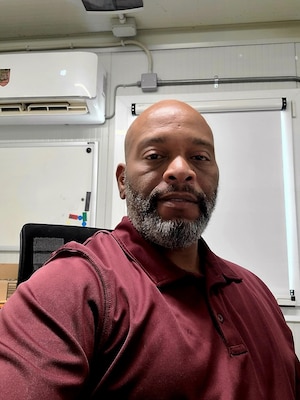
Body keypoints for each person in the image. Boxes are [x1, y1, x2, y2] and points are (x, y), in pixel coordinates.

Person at [0, 99, 299, 399]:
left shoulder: (257, 290)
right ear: (122, 181)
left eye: (200, 157)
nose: (182, 171)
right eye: (155, 156)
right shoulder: (69, 287)